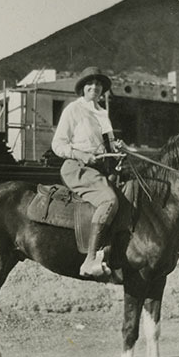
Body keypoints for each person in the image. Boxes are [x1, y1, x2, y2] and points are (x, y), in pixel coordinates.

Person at [51, 66, 119, 278]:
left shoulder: (102, 112)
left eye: (99, 84)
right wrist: (81, 155)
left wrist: (118, 148)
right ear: (82, 88)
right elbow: (58, 144)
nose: (95, 87)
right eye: (90, 83)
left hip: (100, 170)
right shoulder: (73, 109)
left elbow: (109, 146)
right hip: (78, 168)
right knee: (109, 201)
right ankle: (89, 260)